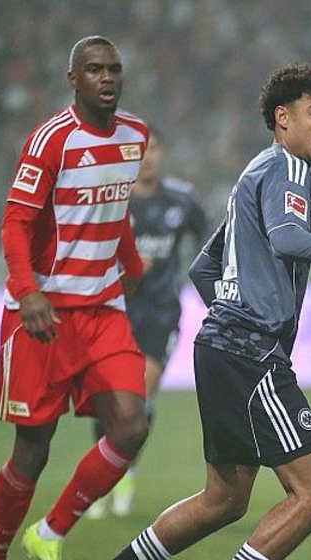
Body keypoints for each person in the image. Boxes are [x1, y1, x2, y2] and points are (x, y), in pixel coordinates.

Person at [62, 64, 311, 560]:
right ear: (282, 118)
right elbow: (288, 241)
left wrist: (229, 310)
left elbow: (204, 266)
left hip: (224, 346)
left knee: (223, 499)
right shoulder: (287, 169)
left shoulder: (255, 172)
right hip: (248, 352)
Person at [0, 35, 150, 560]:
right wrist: (28, 292)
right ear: (73, 79)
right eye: (94, 69)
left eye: (114, 69)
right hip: (44, 313)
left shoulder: (135, 135)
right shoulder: (51, 140)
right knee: (33, 449)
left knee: (131, 427)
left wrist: (131, 264)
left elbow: (116, 210)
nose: (107, 77)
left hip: (102, 308)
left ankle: (48, 534)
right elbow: (15, 223)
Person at [85, 126, 209, 519]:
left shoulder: (181, 199)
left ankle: (124, 471)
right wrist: (126, 267)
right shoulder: (114, 202)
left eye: (153, 148)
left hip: (161, 313)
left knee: (138, 397)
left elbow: (210, 238)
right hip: (115, 312)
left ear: (162, 153)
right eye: (138, 150)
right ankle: (105, 473)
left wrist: (207, 277)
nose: (147, 157)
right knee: (111, 403)